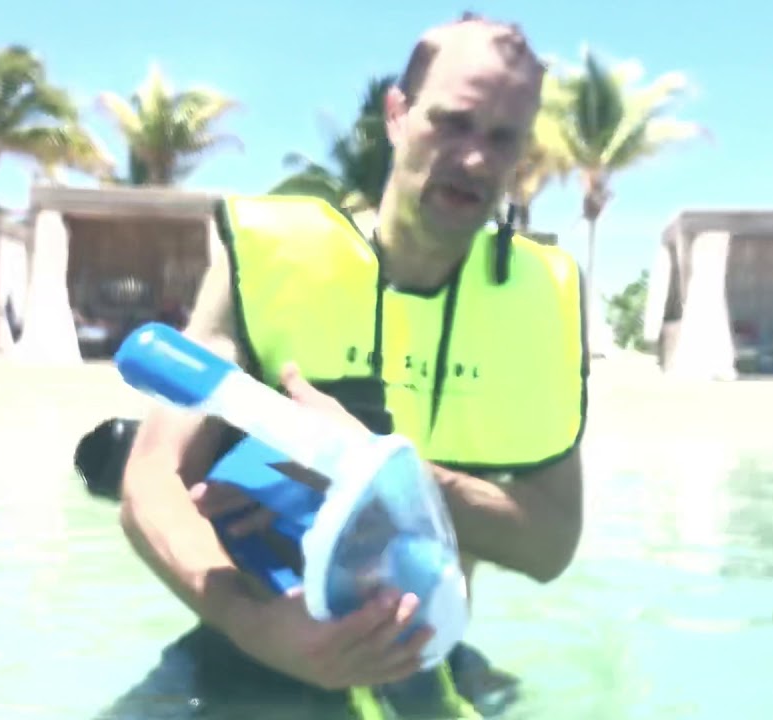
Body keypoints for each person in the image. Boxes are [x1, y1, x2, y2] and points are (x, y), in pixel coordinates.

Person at [104, 12, 589, 719]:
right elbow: (151, 477)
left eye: (501, 137)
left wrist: (374, 469)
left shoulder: (537, 301)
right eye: (453, 123)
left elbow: (549, 544)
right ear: (397, 114)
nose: (475, 159)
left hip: (420, 660)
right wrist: (255, 626)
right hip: (249, 643)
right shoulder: (275, 262)